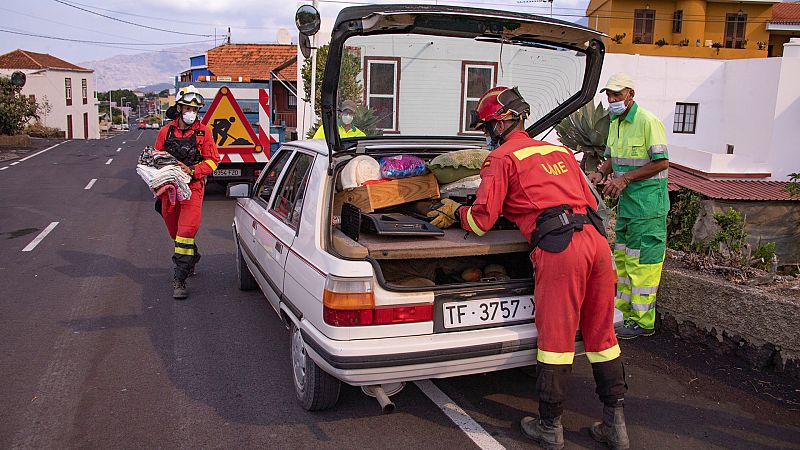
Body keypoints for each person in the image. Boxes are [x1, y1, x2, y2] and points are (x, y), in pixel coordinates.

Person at [428, 86, 629, 450]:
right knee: (602, 337)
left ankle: (550, 426)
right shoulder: (560, 151)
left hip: (560, 248)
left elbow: (481, 220)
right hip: (596, 243)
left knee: (556, 339)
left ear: (502, 123)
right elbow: (587, 199)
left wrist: (455, 211)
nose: (487, 135)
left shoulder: (501, 158)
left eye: (488, 127)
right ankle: (616, 427)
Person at [588, 73, 670, 339]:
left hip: (648, 207)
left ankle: (643, 322)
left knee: (642, 265)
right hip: (628, 206)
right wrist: (601, 173)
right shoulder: (615, 122)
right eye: (609, 95)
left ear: (630, 95)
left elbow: (661, 162)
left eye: (617, 94)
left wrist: (625, 179)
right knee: (623, 261)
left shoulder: (648, 122)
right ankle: (624, 315)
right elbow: (612, 156)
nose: (612, 99)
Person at [153, 85, 221, 299]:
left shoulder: (204, 132)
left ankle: (180, 278)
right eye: (188, 108)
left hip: (193, 188)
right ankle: (191, 256)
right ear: (179, 108)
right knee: (175, 233)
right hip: (169, 190)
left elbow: (213, 161)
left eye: (195, 109)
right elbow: (154, 159)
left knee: (185, 232)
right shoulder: (165, 132)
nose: (192, 113)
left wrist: (192, 170)